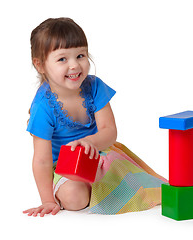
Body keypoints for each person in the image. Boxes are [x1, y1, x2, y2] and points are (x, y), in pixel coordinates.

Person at [23, 17, 167, 217]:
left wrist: (90, 142)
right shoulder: (43, 106)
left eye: (80, 55)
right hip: (64, 167)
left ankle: (104, 186)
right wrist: (47, 200)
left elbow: (109, 131)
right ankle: (92, 189)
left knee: (137, 185)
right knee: (75, 199)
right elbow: (41, 160)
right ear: (40, 65)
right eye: (62, 59)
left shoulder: (95, 87)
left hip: (100, 153)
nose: (74, 65)